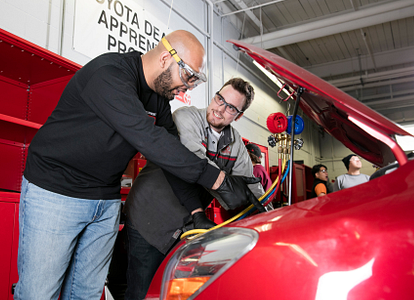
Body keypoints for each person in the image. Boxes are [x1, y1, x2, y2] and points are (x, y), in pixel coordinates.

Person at [14, 31, 260, 300]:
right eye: (188, 76)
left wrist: (196, 211)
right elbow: (148, 137)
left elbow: (170, 158)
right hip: (56, 192)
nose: (188, 87)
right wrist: (217, 180)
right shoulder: (109, 74)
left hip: (104, 199)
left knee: (86, 293)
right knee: (38, 294)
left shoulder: (159, 101)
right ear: (167, 58)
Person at [123, 78, 265, 300]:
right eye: (220, 99)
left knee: (172, 292)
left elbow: (251, 185)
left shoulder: (235, 143)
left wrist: (268, 218)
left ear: (238, 116)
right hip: (149, 217)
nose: (220, 109)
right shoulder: (185, 117)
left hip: (187, 226)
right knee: (142, 292)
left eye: (230, 108)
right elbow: (194, 163)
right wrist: (229, 186)